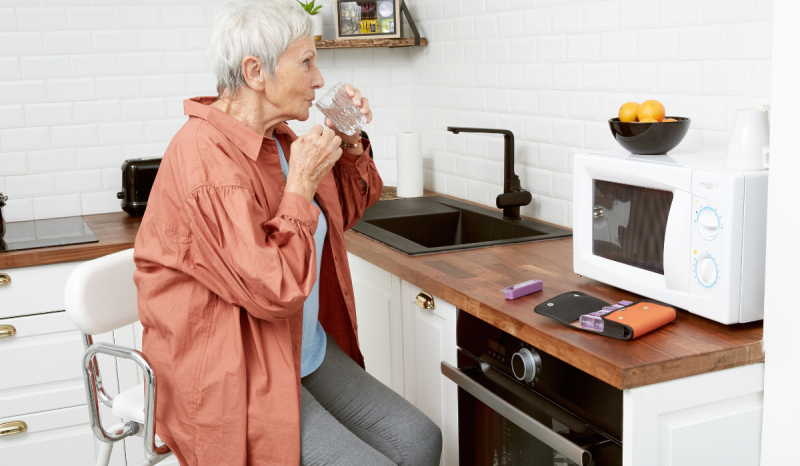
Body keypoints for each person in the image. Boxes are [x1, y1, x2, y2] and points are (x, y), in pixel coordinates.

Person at [132, 0, 442, 464]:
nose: (319, 79)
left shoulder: (276, 139)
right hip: (234, 367)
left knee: (419, 439)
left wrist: (349, 139)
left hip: (298, 345)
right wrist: (300, 183)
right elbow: (273, 288)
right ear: (256, 72)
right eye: (306, 62)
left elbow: (346, 209)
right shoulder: (206, 161)